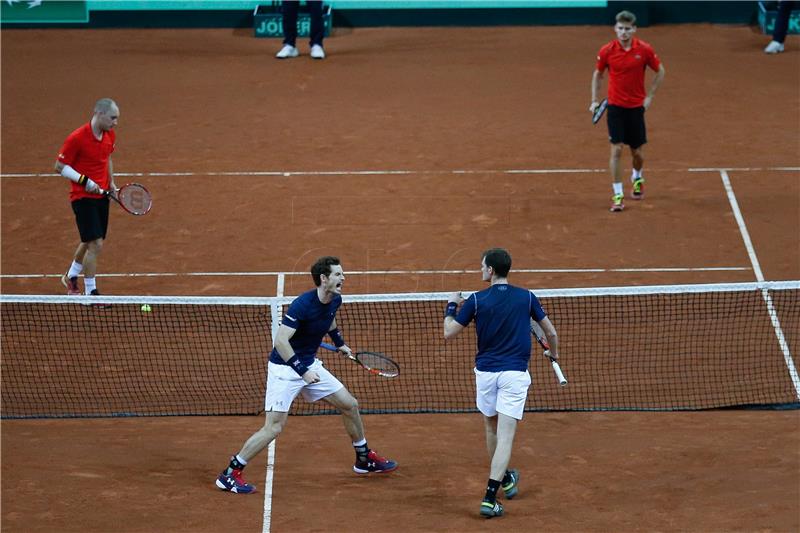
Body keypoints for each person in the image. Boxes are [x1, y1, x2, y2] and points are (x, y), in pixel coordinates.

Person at [215, 256, 397, 494]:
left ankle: (364, 459)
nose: (343, 278)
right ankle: (229, 473)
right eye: (338, 274)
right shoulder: (302, 305)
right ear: (324, 279)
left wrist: (340, 343)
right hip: (285, 369)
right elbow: (281, 341)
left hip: (310, 364)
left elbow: (329, 321)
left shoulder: (335, 299)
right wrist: (302, 371)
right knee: (274, 428)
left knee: (349, 404)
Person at [443, 248, 559, 518]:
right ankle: (489, 498)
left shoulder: (475, 300)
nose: (480, 270)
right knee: (506, 437)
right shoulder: (527, 297)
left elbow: (449, 332)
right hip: (514, 375)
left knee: (491, 427)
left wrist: (451, 305)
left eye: (482, 266)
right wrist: (553, 353)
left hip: (485, 375)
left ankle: (506, 479)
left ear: (491, 270)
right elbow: (550, 331)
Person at [590, 10, 666, 212]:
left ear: (634, 29)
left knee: (637, 153)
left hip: (635, 109)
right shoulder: (607, 51)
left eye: (627, 29)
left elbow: (660, 71)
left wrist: (649, 96)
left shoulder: (645, 50)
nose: (624, 32)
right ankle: (617, 194)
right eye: (620, 28)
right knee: (616, 150)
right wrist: (594, 100)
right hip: (615, 107)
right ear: (616, 29)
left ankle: (637, 177)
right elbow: (598, 74)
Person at [55, 97, 119, 298]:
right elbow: (59, 167)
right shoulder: (77, 138)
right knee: (95, 244)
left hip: (101, 195)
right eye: (112, 118)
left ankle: (71, 276)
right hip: (82, 197)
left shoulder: (110, 135)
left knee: (90, 238)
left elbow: (107, 157)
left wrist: (111, 183)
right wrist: (84, 181)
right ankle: (91, 293)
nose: (115, 122)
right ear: (99, 114)